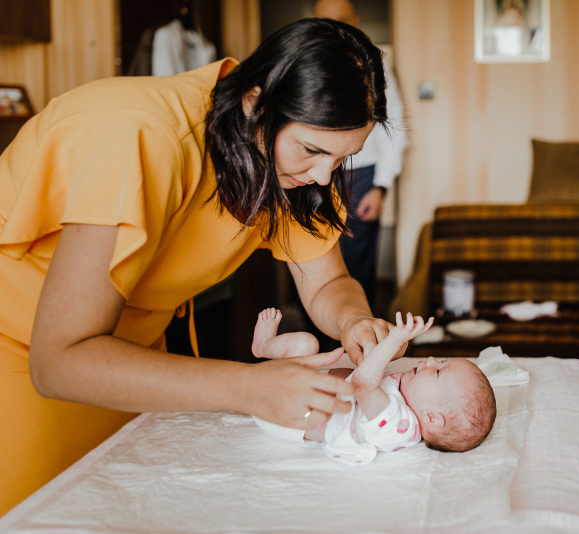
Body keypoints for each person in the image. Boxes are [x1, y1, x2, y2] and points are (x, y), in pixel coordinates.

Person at [0, 19, 403, 514]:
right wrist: (249, 387)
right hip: (21, 356)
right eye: (312, 150)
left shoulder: (290, 165)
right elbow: (58, 360)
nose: (322, 174)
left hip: (137, 359)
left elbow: (329, 280)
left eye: (343, 158)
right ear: (256, 103)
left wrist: (352, 320)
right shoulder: (137, 134)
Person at [253, 311, 497, 464]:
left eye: (438, 370)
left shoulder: (398, 426)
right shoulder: (405, 395)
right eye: (440, 361)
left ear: (433, 418)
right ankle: (263, 347)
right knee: (305, 344)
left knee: (304, 347)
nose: (431, 361)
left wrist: (394, 341)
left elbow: (363, 384)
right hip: (301, 391)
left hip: (288, 413)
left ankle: (261, 371)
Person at [313, 0, 408, 307]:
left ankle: (360, 342)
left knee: (357, 268)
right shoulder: (305, 65)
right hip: (309, 176)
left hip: (360, 178)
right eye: (328, 22)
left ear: (355, 20)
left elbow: (393, 127)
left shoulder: (375, 66)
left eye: (342, 20)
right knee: (310, 259)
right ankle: (318, 345)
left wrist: (380, 187)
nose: (336, 29)